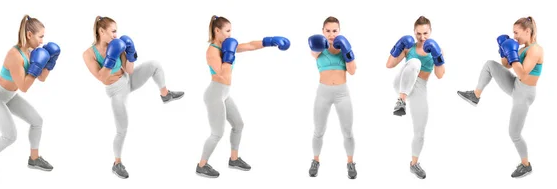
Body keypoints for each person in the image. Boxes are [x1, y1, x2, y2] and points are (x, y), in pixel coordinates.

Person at [82, 16, 185, 179]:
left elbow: (129, 70)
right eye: (113, 31)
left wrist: (130, 53)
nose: (116, 35)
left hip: (128, 79)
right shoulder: (88, 54)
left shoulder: (117, 44)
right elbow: (102, 78)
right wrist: (111, 57)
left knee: (155, 65)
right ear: (101, 31)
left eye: (117, 32)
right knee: (122, 129)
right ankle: (117, 163)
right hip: (116, 90)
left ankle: (165, 94)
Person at [195, 15, 290, 178]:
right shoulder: (212, 51)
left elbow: (250, 45)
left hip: (224, 94)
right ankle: (201, 165)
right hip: (214, 95)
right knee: (217, 133)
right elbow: (223, 75)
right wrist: (229, 55)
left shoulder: (226, 45)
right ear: (217, 30)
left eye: (231, 31)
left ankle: (234, 159)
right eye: (227, 31)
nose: (230, 34)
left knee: (238, 124)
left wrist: (270, 41)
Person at [457, 16, 542, 178]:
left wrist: (512, 53)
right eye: (513, 33)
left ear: (528, 31)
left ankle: (526, 165)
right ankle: (476, 95)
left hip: (525, 93)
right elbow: (506, 65)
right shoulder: (522, 48)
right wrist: (504, 50)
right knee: (490, 64)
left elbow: (523, 73)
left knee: (514, 133)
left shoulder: (536, 50)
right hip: (515, 85)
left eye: (517, 33)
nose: (514, 36)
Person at [0, 14, 59, 179]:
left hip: (10, 95)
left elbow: (41, 78)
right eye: (40, 36)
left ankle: (34, 158)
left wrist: (49, 62)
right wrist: (37, 66)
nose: (43, 41)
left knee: (37, 121)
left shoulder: (31, 51)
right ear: (29, 35)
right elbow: (24, 86)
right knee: (10, 135)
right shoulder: (14, 55)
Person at [386, 16, 445, 179]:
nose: (422, 37)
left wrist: (438, 56)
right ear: (414, 32)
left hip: (420, 87)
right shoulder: (408, 46)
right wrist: (398, 46)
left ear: (430, 31)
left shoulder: (435, 49)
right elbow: (389, 64)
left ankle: (414, 164)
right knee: (415, 63)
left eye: (425, 33)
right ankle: (401, 101)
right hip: (402, 84)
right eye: (418, 33)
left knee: (420, 130)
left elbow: (440, 75)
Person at [306, 16, 358, 179]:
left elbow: (352, 71)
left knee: (348, 131)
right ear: (323, 31)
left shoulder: (344, 48)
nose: (331, 34)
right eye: (327, 31)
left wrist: (347, 51)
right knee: (318, 131)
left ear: (339, 31)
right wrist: (321, 43)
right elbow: (314, 53)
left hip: (342, 93)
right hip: (323, 93)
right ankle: (315, 160)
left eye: (334, 31)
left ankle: (350, 162)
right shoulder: (318, 48)